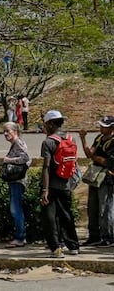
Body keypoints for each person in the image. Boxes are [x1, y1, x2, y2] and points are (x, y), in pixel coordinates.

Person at [41, 110, 80, 257]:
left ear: (51, 124)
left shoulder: (48, 142)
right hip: (66, 183)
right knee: (67, 215)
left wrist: (45, 190)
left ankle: (56, 248)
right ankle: (73, 246)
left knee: (49, 217)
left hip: (51, 184)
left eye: (46, 124)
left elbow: (46, 167)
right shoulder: (71, 138)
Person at [80, 116, 114, 247]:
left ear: (111, 128)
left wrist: (95, 157)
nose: (101, 128)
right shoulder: (99, 138)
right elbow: (90, 154)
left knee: (106, 208)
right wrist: (83, 139)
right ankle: (94, 236)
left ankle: (109, 236)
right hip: (95, 176)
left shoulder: (112, 142)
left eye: (104, 126)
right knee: (92, 207)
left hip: (107, 177)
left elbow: (107, 162)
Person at [1, 122, 30, 248]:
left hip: (18, 181)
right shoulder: (16, 143)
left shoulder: (18, 142)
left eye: (8, 131)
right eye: (4, 131)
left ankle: (20, 237)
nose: (5, 134)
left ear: (15, 131)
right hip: (14, 181)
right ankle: (19, 235)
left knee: (15, 209)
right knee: (15, 208)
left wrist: (9, 160)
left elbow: (26, 158)